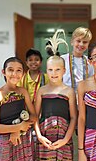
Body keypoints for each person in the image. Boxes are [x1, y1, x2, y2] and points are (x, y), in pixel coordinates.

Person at [34, 30, 77, 160]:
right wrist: (40, 137)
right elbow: (35, 116)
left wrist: (66, 139)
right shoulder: (42, 90)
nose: (54, 73)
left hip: (64, 138)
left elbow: (74, 118)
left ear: (64, 70)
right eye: (50, 70)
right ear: (46, 71)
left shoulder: (69, 91)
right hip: (44, 138)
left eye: (58, 69)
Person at [0, 57, 37, 161]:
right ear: (3, 72)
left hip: (23, 138)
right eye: (10, 70)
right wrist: (17, 127)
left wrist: (18, 130)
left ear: (23, 73)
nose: (14, 74)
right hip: (4, 142)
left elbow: (34, 115)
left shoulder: (23, 92)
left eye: (18, 70)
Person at [61, 26, 94, 92]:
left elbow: (92, 81)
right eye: (78, 41)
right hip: (65, 96)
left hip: (84, 98)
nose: (81, 44)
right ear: (72, 42)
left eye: (85, 42)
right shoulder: (62, 59)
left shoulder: (90, 62)